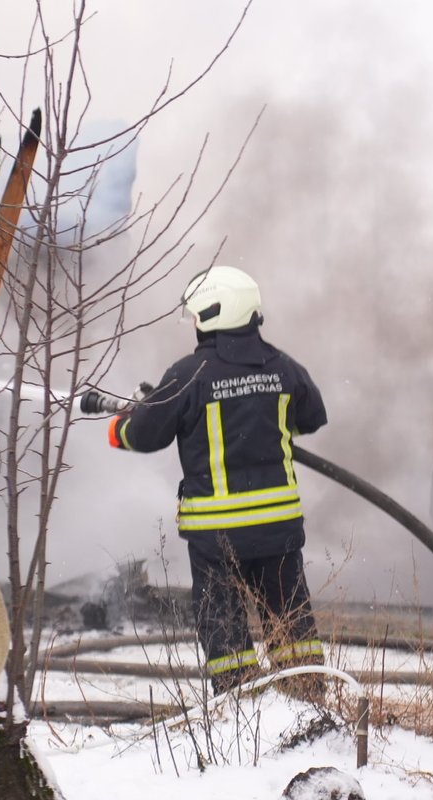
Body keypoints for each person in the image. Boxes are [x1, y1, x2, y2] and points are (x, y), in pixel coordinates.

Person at [105, 265, 328, 694]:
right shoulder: (283, 367)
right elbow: (311, 418)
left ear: (210, 313)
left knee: (224, 632)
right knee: (290, 621)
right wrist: (266, 421)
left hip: (218, 537)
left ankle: (241, 706)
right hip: (278, 531)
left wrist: (120, 427)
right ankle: (309, 700)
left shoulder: (188, 374)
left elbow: (145, 435)